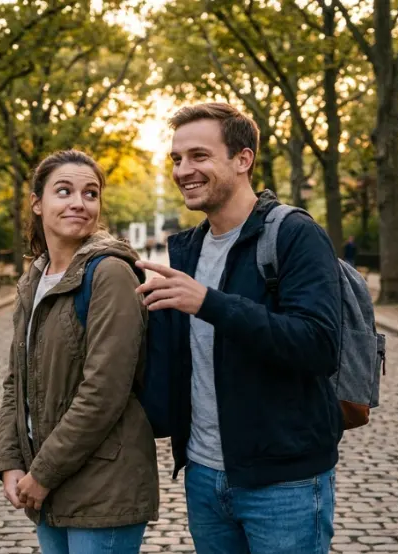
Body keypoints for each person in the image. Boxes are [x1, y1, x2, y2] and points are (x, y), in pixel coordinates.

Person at [135, 103, 345, 553]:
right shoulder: (187, 249)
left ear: (243, 159)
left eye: (199, 156)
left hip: (284, 480)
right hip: (204, 476)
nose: (183, 170)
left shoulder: (293, 235)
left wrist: (209, 303)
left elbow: (320, 345)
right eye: (176, 159)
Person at [0, 150, 159, 554]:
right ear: (37, 202)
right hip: (48, 486)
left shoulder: (110, 274)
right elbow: (17, 380)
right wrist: (11, 462)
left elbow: (104, 391)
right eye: (63, 191)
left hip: (104, 486)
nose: (78, 203)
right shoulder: (35, 278)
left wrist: (44, 472)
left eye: (90, 194)